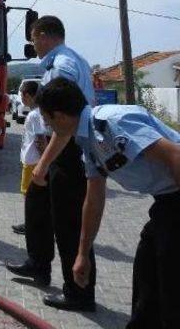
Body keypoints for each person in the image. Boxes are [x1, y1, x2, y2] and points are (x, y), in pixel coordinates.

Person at [36, 77, 180, 328]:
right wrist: (83, 255)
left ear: (59, 116)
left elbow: (175, 155)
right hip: (166, 201)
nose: (47, 126)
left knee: (170, 284)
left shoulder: (111, 123)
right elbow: (94, 197)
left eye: (46, 119)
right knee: (147, 274)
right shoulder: (89, 142)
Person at [6, 15, 97, 310]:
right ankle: (38, 263)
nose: (33, 45)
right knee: (37, 205)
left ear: (44, 35)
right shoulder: (66, 61)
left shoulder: (62, 66)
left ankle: (79, 293)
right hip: (60, 144)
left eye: (33, 39)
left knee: (68, 221)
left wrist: (44, 162)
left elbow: (64, 121)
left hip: (67, 147)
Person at [11, 80, 47, 235]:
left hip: (32, 160)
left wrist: (43, 161)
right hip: (34, 160)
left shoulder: (34, 114)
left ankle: (31, 225)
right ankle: (35, 223)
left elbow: (40, 139)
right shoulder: (38, 112)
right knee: (35, 194)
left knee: (28, 194)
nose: (21, 98)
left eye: (22, 94)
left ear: (27, 95)